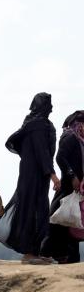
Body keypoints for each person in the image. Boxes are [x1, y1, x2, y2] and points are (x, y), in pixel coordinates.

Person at [0, 93, 61, 264]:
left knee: (38, 210)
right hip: (33, 175)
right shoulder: (37, 125)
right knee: (33, 210)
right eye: (49, 104)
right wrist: (54, 176)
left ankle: (35, 251)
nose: (52, 108)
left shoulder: (35, 123)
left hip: (36, 174)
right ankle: (29, 253)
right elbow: (41, 152)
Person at [42, 110, 84, 263]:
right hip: (68, 186)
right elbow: (60, 157)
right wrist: (72, 175)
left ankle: (70, 258)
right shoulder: (70, 137)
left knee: (73, 222)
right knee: (57, 220)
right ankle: (46, 253)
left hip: (77, 189)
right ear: (79, 124)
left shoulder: (80, 139)